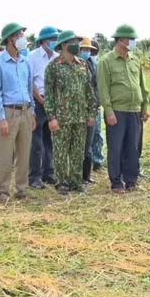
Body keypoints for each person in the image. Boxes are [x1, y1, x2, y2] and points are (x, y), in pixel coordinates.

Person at [44, 31, 98, 195]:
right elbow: (49, 95)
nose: (77, 44)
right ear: (64, 45)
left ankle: (76, 182)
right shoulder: (53, 67)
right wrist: (51, 117)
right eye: (73, 41)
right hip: (61, 118)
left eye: (77, 41)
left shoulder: (82, 64)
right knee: (60, 153)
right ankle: (62, 183)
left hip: (81, 117)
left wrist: (91, 113)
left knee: (78, 152)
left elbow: (89, 91)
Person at [97, 24, 148, 193]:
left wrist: (144, 106)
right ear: (121, 40)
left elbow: (142, 85)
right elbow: (103, 89)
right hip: (117, 111)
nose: (133, 42)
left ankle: (131, 179)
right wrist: (109, 111)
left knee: (133, 147)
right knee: (116, 146)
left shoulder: (135, 60)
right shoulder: (106, 61)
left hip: (134, 109)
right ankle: (116, 181)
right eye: (131, 39)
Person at [0, 22, 36, 205]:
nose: (22, 38)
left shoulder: (25, 62)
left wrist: (32, 112)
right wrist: (2, 118)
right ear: (10, 39)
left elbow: (29, 87)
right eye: (19, 35)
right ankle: (2, 191)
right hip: (9, 112)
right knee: (6, 154)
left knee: (24, 154)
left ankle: (21, 190)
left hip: (25, 111)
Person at [29, 26, 59, 189]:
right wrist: (40, 100)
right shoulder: (32, 57)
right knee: (36, 141)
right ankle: (35, 176)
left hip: (52, 101)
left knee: (50, 139)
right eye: (52, 39)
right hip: (37, 100)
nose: (54, 42)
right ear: (44, 41)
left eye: (56, 39)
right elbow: (30, 82)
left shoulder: (57, 57)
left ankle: (49, 172)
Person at [80, 38, 100, 185]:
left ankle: (86, 175)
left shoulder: (92, 64)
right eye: (84, 49)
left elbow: (95, 87)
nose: (87, 52)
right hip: (78, 110)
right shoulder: (74, 65)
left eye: (89, 50)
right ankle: (78, 176)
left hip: (91, 109)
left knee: (89, 144)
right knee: (78, 145)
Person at [90, 40, 106, 171]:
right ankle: (92, 159)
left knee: (98, 134)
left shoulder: (98, 64)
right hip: (89, 105)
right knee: (91, 135)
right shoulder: (85, 64)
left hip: (97, 104)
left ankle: (97, 160)